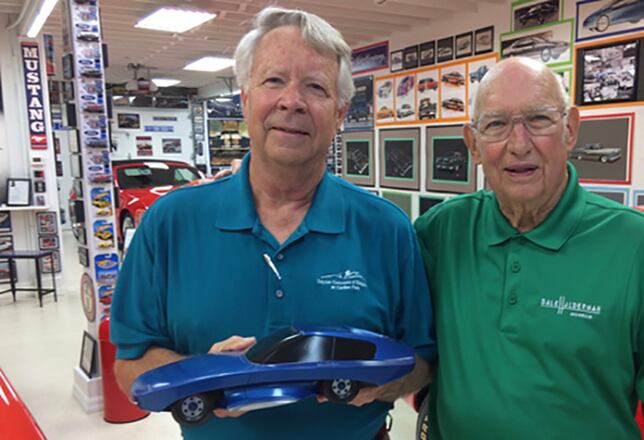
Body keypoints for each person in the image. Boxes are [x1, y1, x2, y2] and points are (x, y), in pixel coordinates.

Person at [110, 7, 435, 440]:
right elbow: (129, 365)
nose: (291, 101)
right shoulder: (169, 223)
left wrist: (377, 383)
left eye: (315, 87)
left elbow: (421, 362)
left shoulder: (386, 229)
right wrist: (203, 373)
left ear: (339, 113)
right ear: (246, 99)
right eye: (274, 80)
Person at [414, 57, 644, 439]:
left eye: (538, 119)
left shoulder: (639, 245)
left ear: (570, 129)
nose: (519, 144)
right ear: (473, 144)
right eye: (496, 124)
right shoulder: (442, 231)